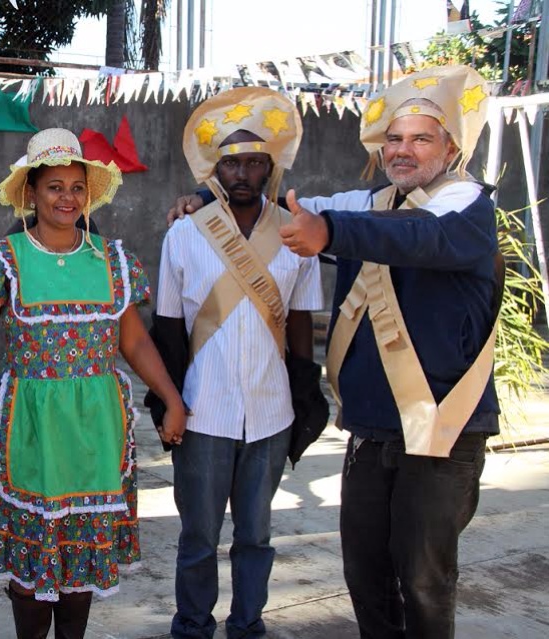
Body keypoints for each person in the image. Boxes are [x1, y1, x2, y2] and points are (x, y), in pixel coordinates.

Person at [175, 65, 501, 638]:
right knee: (366, 571)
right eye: (394, 139)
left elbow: (419, 237)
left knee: (423, 578)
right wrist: (208, 195)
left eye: (422, 138)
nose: (403, 151)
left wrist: (332, 231)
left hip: (444, 429)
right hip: (373, 427)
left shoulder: (466, 203)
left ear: (452, 147)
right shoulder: (369, 200)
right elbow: (287, 207)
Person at [0, 128, 187, 639]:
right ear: (32, 194)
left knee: (80, 560)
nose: (67, 197)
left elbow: (135, 343)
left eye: (76, 187)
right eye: (54, 186)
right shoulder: (3, 260)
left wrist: (171, 397)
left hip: (97, 428)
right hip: (29, 427)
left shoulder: (112, 260)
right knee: (32, 560)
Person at [150, 88, 323, 639]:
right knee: (198, 536)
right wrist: (170, 404)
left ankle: (247, 624)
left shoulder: (298, 232)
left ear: (270, 165)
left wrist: (304, 396)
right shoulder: (184, 233)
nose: (243, 172)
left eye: (254, 161)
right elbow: (169, 331)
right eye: (231, 161)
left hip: (271, 412)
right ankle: (192, 626)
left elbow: (299, 323)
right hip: (203, 412)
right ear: (214, 168)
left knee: (256, 535)